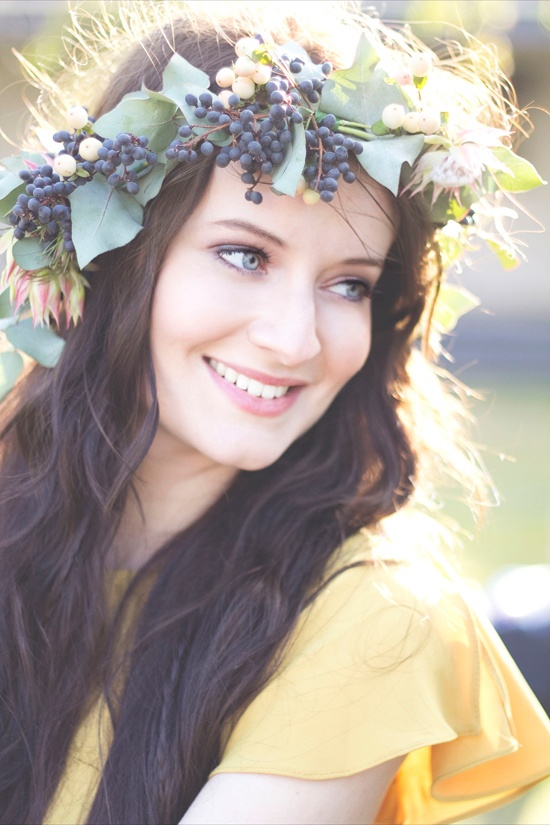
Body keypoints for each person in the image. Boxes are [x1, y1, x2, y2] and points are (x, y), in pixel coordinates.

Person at [0, 1, 549, 823]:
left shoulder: (375, 621)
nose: (295, 340)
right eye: (244, 254)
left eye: (350, 284)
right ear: (115, 253)